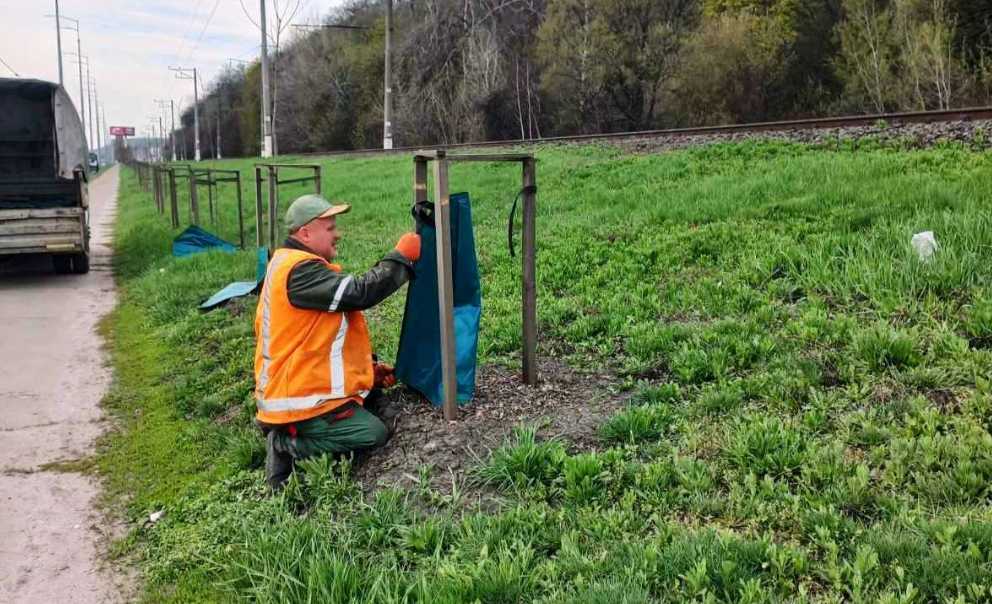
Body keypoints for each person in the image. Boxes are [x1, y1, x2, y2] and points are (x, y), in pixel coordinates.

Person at [254, 193, 420, 489]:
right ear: (305, 233)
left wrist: (367, 371)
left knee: (369, 410)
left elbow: (320, 340)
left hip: (300, 387)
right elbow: (358, 293)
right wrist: (400, 259)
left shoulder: (291, 265)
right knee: (372, 433)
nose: (338, 234)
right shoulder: (299, 270)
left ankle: (295, 432)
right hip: (297, 400)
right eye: (330, 228)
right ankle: (285, 442)